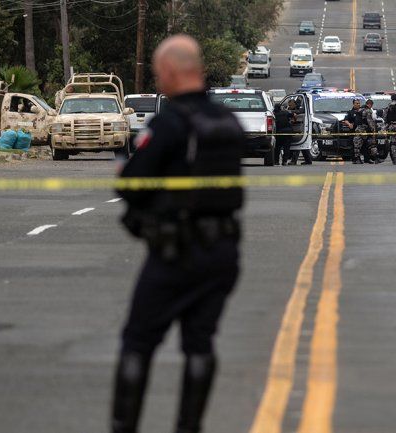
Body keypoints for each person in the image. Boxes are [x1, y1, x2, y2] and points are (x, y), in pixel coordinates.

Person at [111, 35, 245, 433]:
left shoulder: (169, 123)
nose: (158, 80)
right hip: (222, 250)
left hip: (175, 252)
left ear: (170, 72)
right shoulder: (227, 120)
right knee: (200, 343)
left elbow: (132, 183)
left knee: (138, 341)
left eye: (157, 74)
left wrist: (125, 174)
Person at [285, 100, 312, 165]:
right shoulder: (289, 109)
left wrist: (290, 112)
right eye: (289, 105)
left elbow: (300, 112)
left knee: (298, 145)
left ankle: (293, 161)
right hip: (296, 128)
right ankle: (308, 160)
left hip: (301, 129)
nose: (289, 106)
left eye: (291, 105)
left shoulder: (299, 109)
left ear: (294, 104)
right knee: (303, 145)